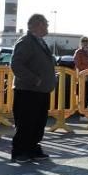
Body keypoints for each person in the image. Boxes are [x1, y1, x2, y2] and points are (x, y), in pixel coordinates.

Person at [10, 14, 57, 161]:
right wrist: (34, 79)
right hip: (28, 90)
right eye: (46, 25)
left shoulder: (39, 42)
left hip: (40, 91)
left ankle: (32, 148)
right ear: (38, 25)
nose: (47, 28)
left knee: (38, 122)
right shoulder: (26, 41)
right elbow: (16, 64)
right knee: (26, 122)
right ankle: (19, 152)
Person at [73, 37, 88, 109]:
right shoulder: (78, 52)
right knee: (81, 93)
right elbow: (78, 65)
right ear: (81, 42)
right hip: (82, 75)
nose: (85, 42)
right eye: (83, 41)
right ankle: (80, 108)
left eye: (86, 41)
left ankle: (84, 108)